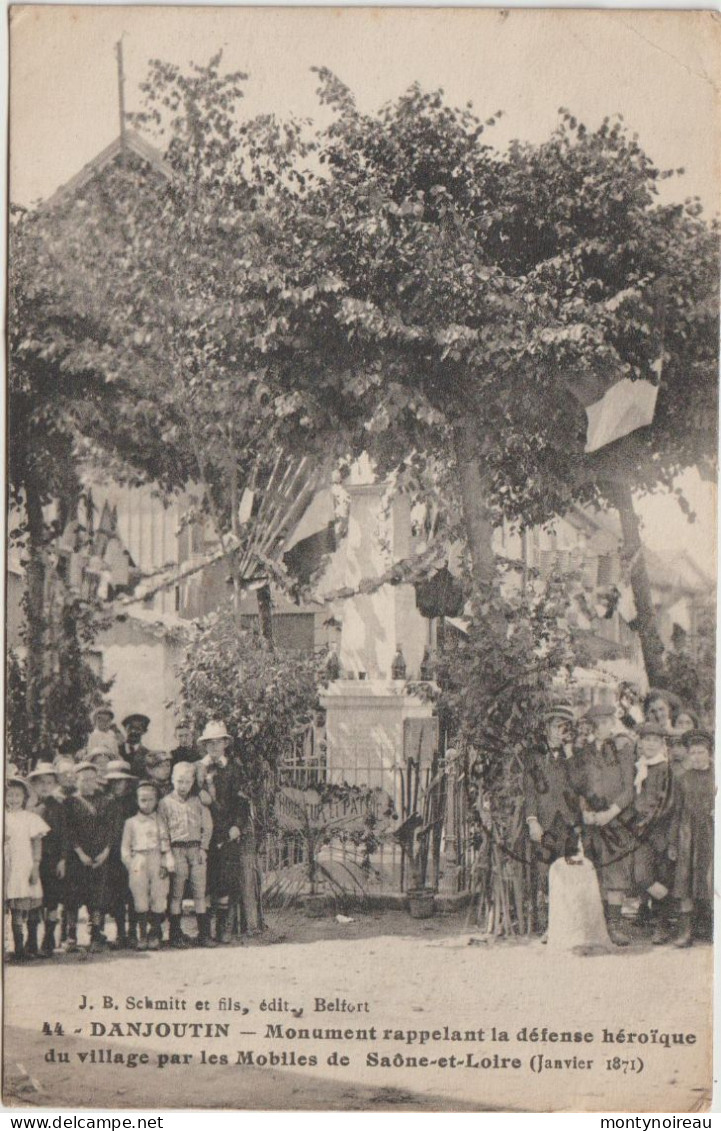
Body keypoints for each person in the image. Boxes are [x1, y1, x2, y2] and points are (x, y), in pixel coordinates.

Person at [572, 705, 636, 946]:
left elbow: (629, 789)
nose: (601, 728)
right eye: (596, 724)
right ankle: (598, 923)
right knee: (595, 866)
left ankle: (615, 925)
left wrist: (610, 813)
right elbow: (579, 786)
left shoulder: (623, 749)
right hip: (591, 822)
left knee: (615, 870)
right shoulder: (583, 753)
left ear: (612, 723)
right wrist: (585, 811)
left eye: (605, 722)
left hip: (616, 820)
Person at [523, 704, 581, 934]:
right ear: (547, 728)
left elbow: (579, 786)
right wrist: (532, 819)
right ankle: (545, 922)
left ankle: (566, 922)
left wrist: (570, 757)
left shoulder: (571, 757)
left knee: (568, 869)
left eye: (565, 727)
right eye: (557, 726)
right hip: (545, 820)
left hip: (566, 820)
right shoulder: (536, 756)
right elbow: (530, 790)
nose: (560, 731)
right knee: (544, 869)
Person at [198, 720, 257, 942]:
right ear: (204, 745)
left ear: (225, 743)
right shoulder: (198, 768)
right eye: (209, 743)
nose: (214, 747)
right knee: (202, 883)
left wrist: (237, 826)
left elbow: (242, 802)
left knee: (224, 881)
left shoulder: (234, 768)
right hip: (203, 832)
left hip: (227, 832)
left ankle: (223, 929)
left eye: (218, 742)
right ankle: (204, 932)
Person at [629, 722, 677, 945]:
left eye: (655, 740)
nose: (649, 744)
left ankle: (662, 925)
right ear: (640, 742)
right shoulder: (640, 767)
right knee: (642, 876)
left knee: (659, 875)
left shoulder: (665, 769)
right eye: (646, 739)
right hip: (640, 831)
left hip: (658, 832)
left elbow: (665, 803)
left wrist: (647, 824)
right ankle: (670, 905)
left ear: (661, 744)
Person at [158, 762, 214, 948]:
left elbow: (208, 826)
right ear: (173, 780)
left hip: (196, 850)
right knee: (177, 893)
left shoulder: (198, 801)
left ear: (192, 782)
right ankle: (175, 934)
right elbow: (162, 831)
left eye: (187, 782)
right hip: (176, 850)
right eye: (179, 781)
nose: (183, 786)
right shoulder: (165, 803)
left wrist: (204, 848)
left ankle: (204, 934)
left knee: (200, 892)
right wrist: (167, 854)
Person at [670, 730, 714, 947]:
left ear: (710, 753)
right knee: (685, 880)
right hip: (687, 834)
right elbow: (676, 812)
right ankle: (685, 930)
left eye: (701, 752)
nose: (697, 757)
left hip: (711, 834)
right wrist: (673, 842)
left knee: (710, 877)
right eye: (693, 752)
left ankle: (710, 925)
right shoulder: (682, 779)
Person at [62, 762, 111, 952]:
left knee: (96, 898)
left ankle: (96, 934)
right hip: (77, 858)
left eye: (92, 779)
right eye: (84, 779)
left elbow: (110, 829)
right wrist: (80, 853)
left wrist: (105, 852)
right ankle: (71, 935)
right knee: (72, 898)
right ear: (76, 780)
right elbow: (69, 831)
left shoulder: (105, 800)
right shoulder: (70, 802)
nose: (88, 783)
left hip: (100, 858)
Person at [5, 777, 50, 962]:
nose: (13, 799)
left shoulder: (31, 818)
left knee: (31, 906)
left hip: (26, 865)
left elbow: (37, 843)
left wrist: (36, 867)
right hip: (9, 867)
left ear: (24, 797)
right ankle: (18, 947)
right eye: (9, 795)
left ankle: (31, 944)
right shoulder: (4, 817)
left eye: (17, 795)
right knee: (15, 907)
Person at [122, 781, 169, 951]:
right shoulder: (131, 822)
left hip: (156, 858)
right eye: (143, 800)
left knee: (159, 895)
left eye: (150, 800)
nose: (147, 804)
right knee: (139, 897)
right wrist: (131, 864)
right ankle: (141, 935)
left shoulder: (161, 820)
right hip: (139, 859)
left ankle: (154, 933)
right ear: (137, 801)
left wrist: (165, 862)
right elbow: (125, 847)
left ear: (156, 801)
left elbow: (165, 842)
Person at [27, 762, 66, 957]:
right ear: (34, 784)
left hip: (52, 859)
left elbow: (64, 836)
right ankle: (31, 939)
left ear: (54, 785)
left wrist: (62, 860)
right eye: (41, 782)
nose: (44, 786)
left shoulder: (58, 807)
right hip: (33, 860)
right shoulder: (30, 808)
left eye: (49, 782)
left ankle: (49, 938)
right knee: (33, 899)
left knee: (51, 899)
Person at [103, 762, 137, 949]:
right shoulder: (105, 801)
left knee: (132, 893)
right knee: (116, 894)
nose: (119, 785)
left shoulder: (134, 802)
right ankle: (120, 932)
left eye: (122, 782)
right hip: (112, 854)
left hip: (131, 852)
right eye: (114, 782)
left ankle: (132, 933)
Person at [122, 714, 152, 779]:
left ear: (144, 731)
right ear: (125, 729)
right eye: (130, 728)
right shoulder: (116, 750)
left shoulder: (148, 755)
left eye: (138, 729)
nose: (133, 731)